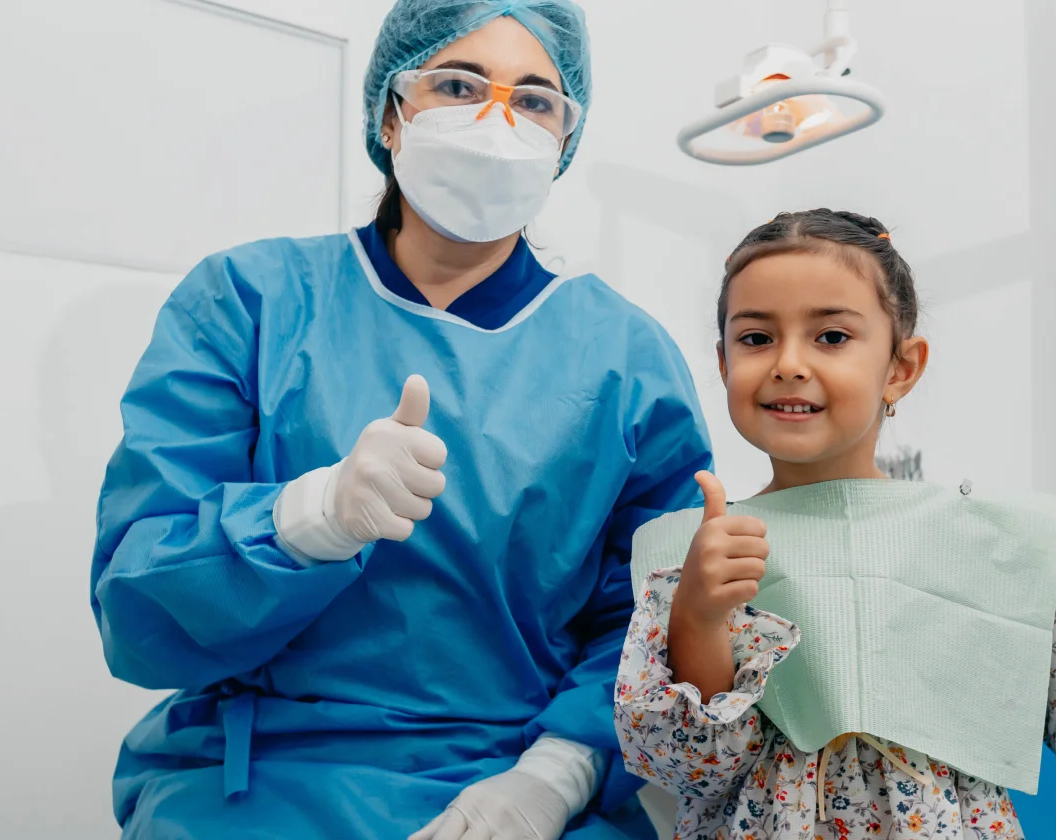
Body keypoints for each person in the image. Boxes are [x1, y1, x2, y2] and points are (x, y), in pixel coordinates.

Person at [89, 2, 709, 838]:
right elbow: (140, 621)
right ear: (390, 111)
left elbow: (654, 619)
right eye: (457, 85)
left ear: (566, 139)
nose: (496, 121)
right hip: (266, 778)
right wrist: (310, 517)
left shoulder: (627, 360)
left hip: (520, 775)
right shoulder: (249, 302)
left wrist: (556, 777)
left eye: (534, 100)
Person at [613, 209, 1056, 839]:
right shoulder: (698, 559)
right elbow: (691, 765)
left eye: (831, 337)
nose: (788, 362)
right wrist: (699, 616)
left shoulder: (983, 547)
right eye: (757, 339)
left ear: (901, 368)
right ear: (722, 363)